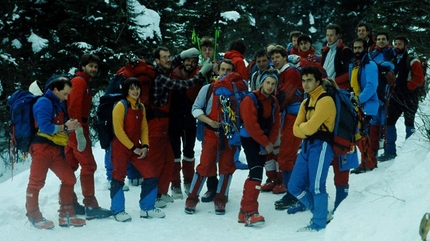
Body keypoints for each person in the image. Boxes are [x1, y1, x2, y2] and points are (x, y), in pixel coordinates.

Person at [148, 46, 211, 208]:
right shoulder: (162, 77)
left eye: (170, 57)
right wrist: (202, 73)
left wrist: (183, 55)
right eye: (165, 57)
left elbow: (172, 62)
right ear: (157, 60)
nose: (169, 59)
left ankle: (177, 186)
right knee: (168, 157)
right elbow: (185, 85)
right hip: (162, 122)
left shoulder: (166, 69)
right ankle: (162, 191)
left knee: (182, 154)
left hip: (180, 120)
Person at [26, 77, 86, 229]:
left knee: (69, 178)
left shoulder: (58, 104)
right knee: (36, 182)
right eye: (65, 94)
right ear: (55, 89)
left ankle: (66, 214)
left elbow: (57, 126)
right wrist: (65, 127)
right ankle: (33, 215)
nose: (67, 97)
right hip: (41, 148)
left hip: (55, 149)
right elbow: (45, 127)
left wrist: (69, 127)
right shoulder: (44, 102)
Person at [186, 71, 248, 215]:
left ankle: (221, 198)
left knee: (227, 165)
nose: (225, 74)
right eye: (223, 69)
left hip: (230, 134)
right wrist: (209, 122)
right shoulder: (208, 89)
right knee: (205, 165)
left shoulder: (237, 90)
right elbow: (195, 109)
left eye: (228, 70)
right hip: (211, 132)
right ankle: (192, 198)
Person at [288, 65, 336, 232]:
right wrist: (305, 128)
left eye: (309, 80)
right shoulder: (306, 102)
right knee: (294, 186)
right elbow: (296, 130)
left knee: (316, 186)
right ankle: (320, 212)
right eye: (303, 80)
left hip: (322, 145)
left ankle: (318, 223)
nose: (306, 84)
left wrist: (305, 128)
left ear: (318, 81)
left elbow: (306, 129)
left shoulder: (326, 100)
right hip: (308, 146)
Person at [110, 77, 165, 222]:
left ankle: (147, 208)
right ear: (126, 90)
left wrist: (145, 146)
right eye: (132, 88)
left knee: (151, 173)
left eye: (137, 88)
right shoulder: (121, 106)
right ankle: (118, 210)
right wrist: (133, 147)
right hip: (120, 148)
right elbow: (118, 131)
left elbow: (143, 127)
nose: (135, 91)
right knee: (118, 178)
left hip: (136, 148)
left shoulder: (140, 106)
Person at [65, 53, 112, 219]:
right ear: (83, 66)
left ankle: (69, 202)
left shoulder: (80, 81)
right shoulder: (79, 82)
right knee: (88, 165)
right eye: (90, 66)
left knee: (69, 167)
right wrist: (78, 132)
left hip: (72, 129)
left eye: (96, 66)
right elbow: (74, 108)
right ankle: (90, 206)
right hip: (77, 128)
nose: (93, 69)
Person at [238, 69, 280, 226]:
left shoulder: (274, 101)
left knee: (255, 172)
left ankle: (244, 211)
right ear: (262, 82)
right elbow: (250, 125)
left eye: (273, 84)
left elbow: (276, 123)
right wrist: (266, 143)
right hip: (250, 139)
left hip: (264, 140)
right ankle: (250, 211)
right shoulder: (250, 99)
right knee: (256, 173)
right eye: (268, 82)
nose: (270, 86)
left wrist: (270, 141)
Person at [378, 35, 425, 162]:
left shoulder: (412, 60)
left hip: (410, 97)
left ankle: (409, 153)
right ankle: (390, 151)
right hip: (396, 96)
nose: (396, 47)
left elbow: (419, 79)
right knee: (390, 121)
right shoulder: (393, 60)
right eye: (395, 44)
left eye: (399, 44)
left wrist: (407, 87)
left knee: (409, 122)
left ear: (406, 45)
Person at [268, 45, 303, 206]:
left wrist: (272, 106)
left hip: (293, 116)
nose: (275, 60)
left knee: (285, 156)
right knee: (289, 156)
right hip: (289, 116)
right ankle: (295, 190)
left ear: (285, 57)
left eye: (277, 57)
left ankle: (293, 193)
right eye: (273, 58)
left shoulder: (291, 72)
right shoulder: (282, 73)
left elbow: (284, 95)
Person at [169, 54, 202, 199]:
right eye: (188, 60)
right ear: (183, 61)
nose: (190, 63)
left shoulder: (198, 75)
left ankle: (188, 181)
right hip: (173, 120)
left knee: (189, 152)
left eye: (193, 61)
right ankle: (175, 184)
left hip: (189, 120)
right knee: (175, 154)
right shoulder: (173, 73)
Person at [347, 38, 379, 176]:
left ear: (365, 48)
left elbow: (372, 85)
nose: (357, 50)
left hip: (367, 104)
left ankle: (368, 162)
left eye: (360, 48)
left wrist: (359, 100)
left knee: (364, 135)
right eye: (355, 48)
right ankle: (366, 161)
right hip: (358, 104)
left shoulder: (370, 65)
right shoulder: (355, 65)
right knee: (360, 134)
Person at [367, 32, 396, 161]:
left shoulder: (392, 52)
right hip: (375, 90)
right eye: (379, 39)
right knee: (374, 121)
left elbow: (393, 66)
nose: (381, 41)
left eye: (383, 39)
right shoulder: (372, 53)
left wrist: (383, 66)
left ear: (387, 40)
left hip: (387, 91)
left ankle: (388, 150)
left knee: (386, 121)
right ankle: (372, 150)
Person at [321, 24, 354, 90]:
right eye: (327, 35)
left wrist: (334, 81)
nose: (329, 38)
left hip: (339, 88)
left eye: (331, 35)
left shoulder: (345, 51)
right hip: (325, 87)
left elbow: (350, 72)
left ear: (338, 35)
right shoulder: (325, 51)